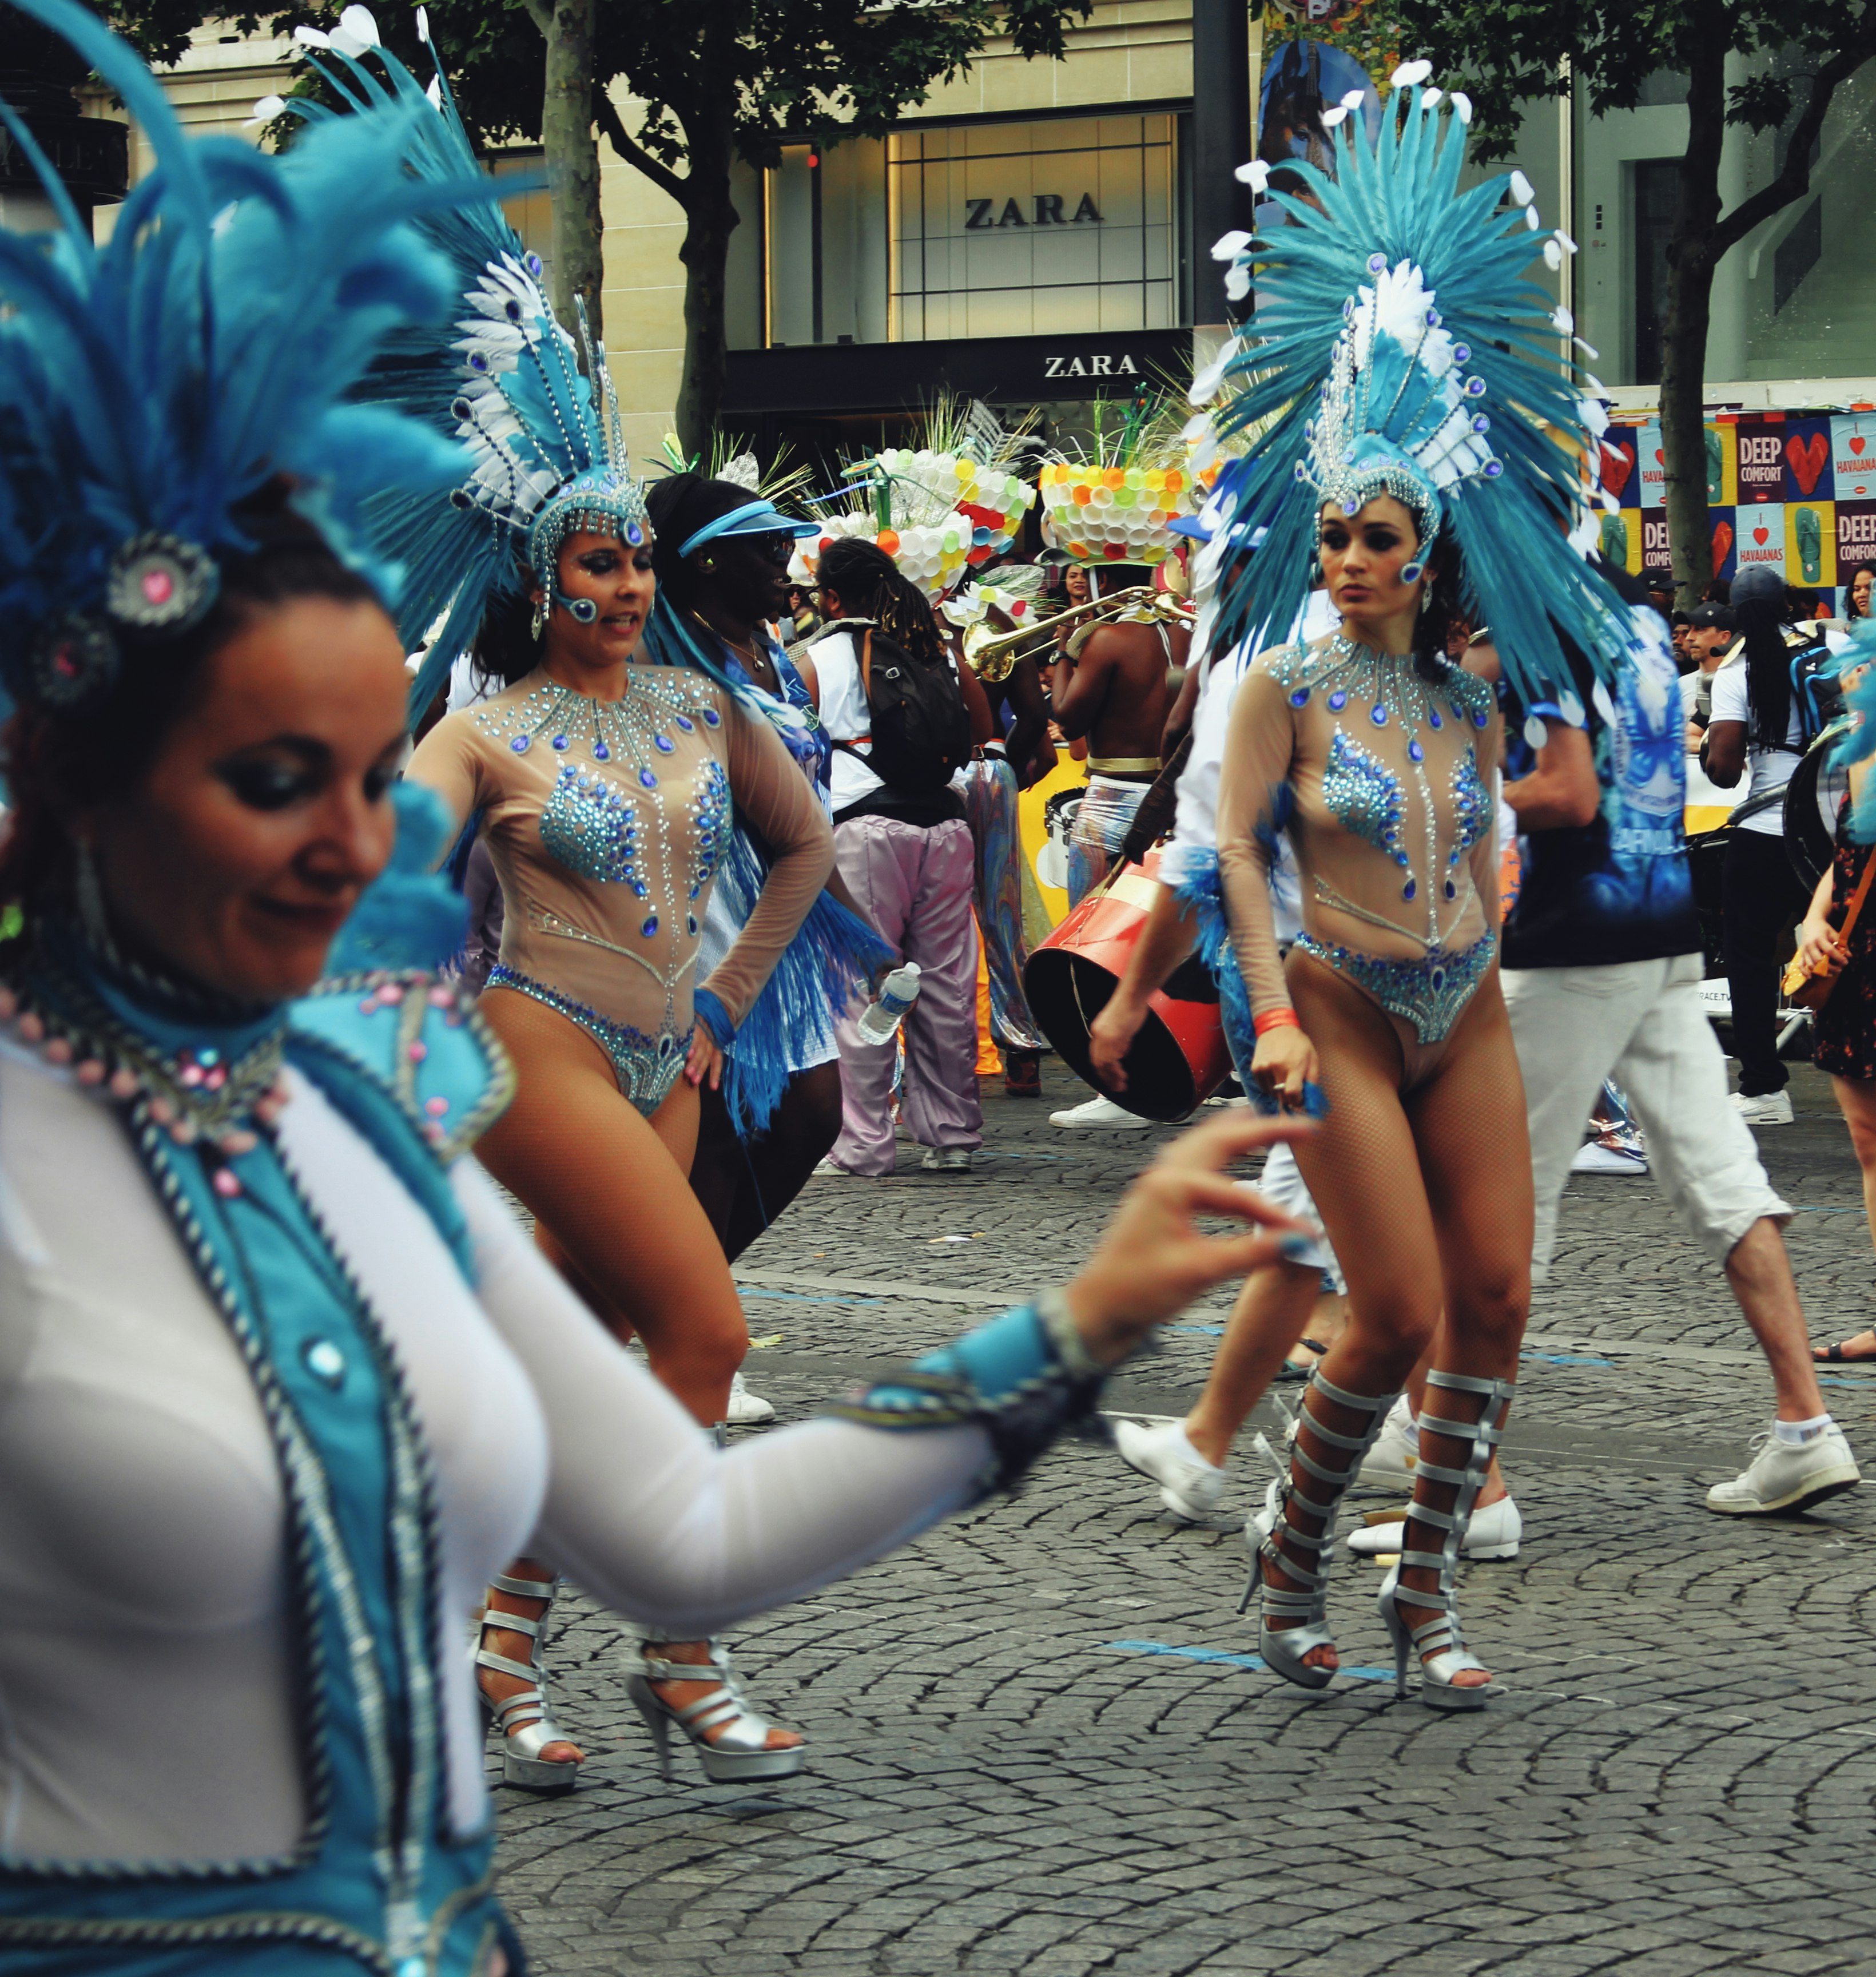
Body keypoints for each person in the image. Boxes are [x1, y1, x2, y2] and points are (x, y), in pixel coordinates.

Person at [343, 50, 874, 1792]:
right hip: (538, 1044)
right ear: (538, 584)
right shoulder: (478, 732)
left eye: (632, 565)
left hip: (666, 1054)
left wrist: (725, 1001)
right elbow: (379, 874)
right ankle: (681, 1656)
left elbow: (806, 858)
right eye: (591, 570)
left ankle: (489, 1645)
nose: (620, 588)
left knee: (569, 1358)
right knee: (704, 1333)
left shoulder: (699, 709)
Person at [1202, 61, 1634, 1707]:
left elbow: (1506, 819)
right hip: (1343, 1010)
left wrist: (1498, 878)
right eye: (1333, 538)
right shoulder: (1280, 689)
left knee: (1502, 1297)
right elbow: (1240, 849)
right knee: (1383, 1312)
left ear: (1426, 543)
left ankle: (1429, 1589)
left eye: (1378, 537)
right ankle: (1294, 1555)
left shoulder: (1467, 692)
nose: (1351, 559)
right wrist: (1271, 1014)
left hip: (1469, 1006)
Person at [1480, 567, 1859, 1515]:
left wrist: (1458, 794)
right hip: (1657, 926)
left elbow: (1563, 793)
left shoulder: (1541, 636)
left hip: (1568, 939)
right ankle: (1804, 1426)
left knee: (1498, 1203)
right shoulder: (1642, 639)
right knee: (1722, 1178)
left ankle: (1468, 1481)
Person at [643, 472, 867, 1276]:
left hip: (787, 915)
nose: (789, 558)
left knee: (809, 1119)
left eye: (788, 542)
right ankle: (690, 1330)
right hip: (711, 922)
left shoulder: (768, 649)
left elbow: (803, 819)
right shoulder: (668, 662)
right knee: (728, 1131)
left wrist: (855, 934)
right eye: (766, 546)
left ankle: (682, 1305)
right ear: (705, 562)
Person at [811, 537, 983, 1175]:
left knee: (865, 986)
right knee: (945, 985)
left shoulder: (819, 656)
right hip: (944, 826)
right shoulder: (931, 645)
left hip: (864, 833)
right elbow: (982, 731)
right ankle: (952, 1136)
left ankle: (863, 1144)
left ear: (830, 597)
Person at [1704, 565, 1815, 1122]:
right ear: (1787, 605)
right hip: (1837, 834)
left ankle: (1762, 1089)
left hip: (1768, 835)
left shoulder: (1735, 673)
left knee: (1749, 959)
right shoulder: (1829, 647)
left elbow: (1723, 772)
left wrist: (1713, 746)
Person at [1798, 642, 1876, 1363]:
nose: (1849, 676)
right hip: (1851, 957)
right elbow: (1846, 858)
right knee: (1867, 1142)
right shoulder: (1862, 747)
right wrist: (1811, 920)